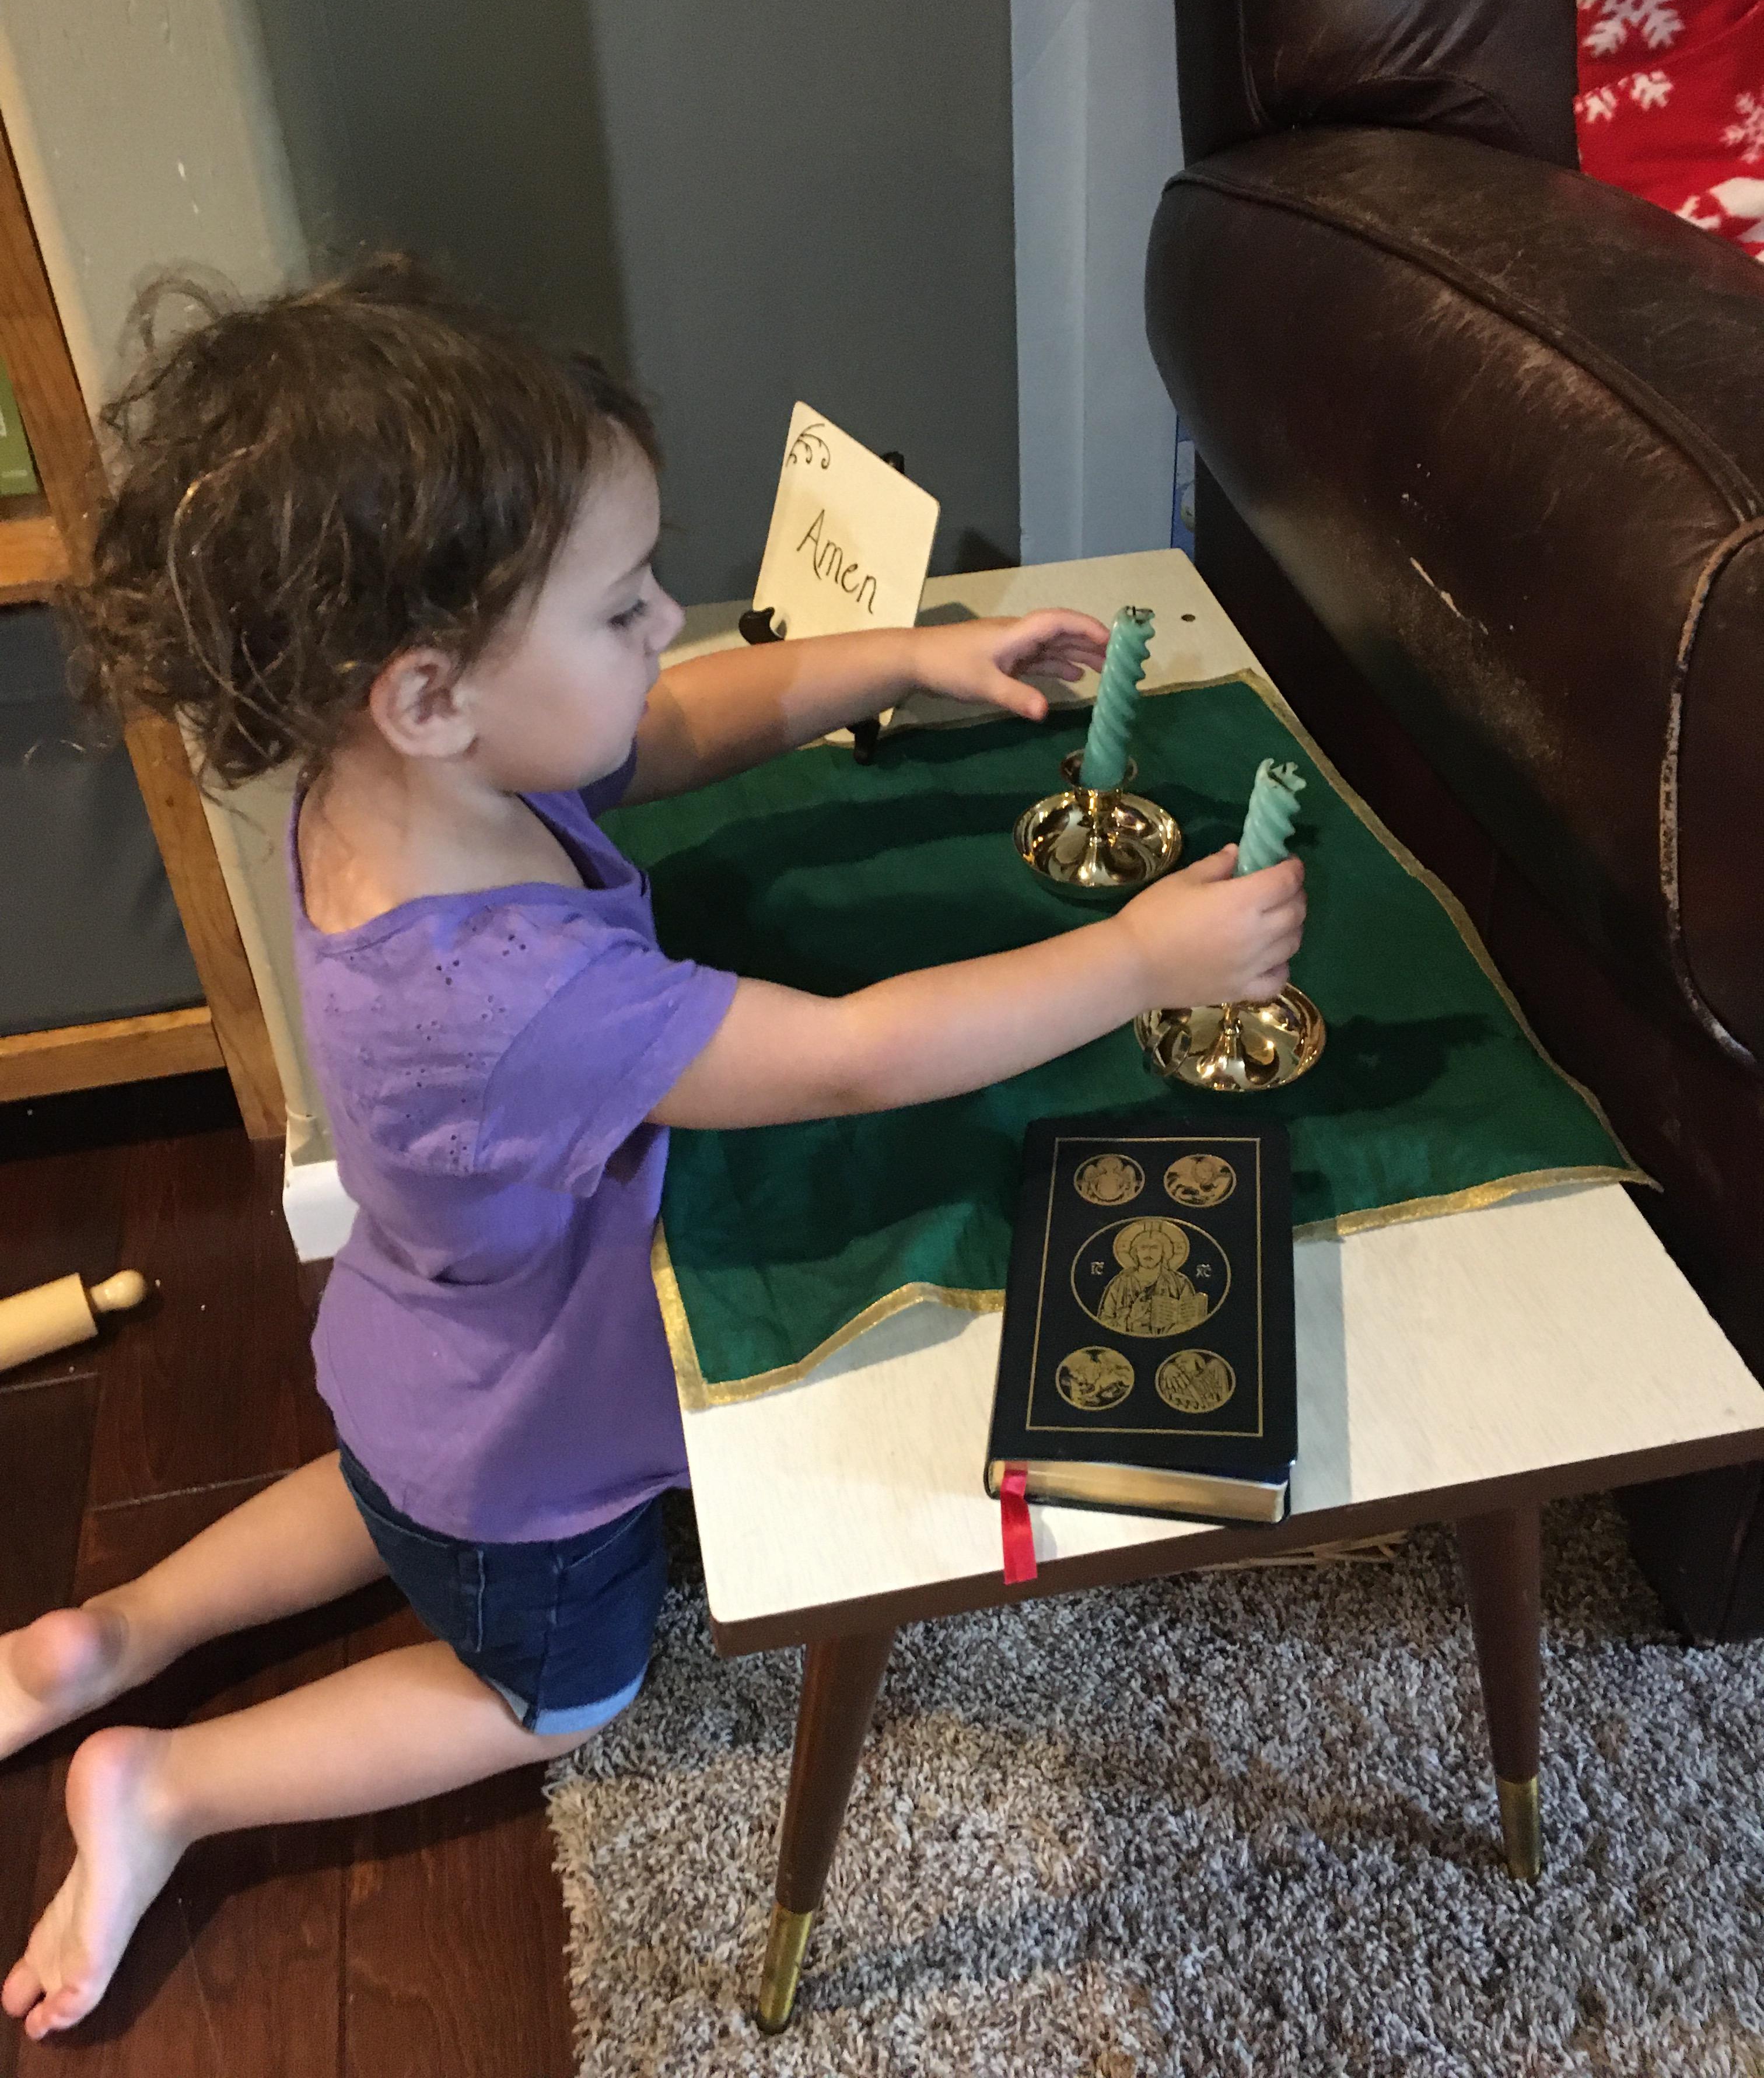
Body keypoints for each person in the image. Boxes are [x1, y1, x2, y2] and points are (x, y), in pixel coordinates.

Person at [0, 255, 1305, 2039]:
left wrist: (913, 655)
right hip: (530, 1429)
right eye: (621, 607)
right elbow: (854, 1062)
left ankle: (107, 1633)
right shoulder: (507, 993)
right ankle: (169, 1781)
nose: (666, 626)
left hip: (423, 1354)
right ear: (432, 692)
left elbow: (675, 725)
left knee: (391, 1495)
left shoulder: (401, 788)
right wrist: (1145, 959)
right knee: (555, 1693)